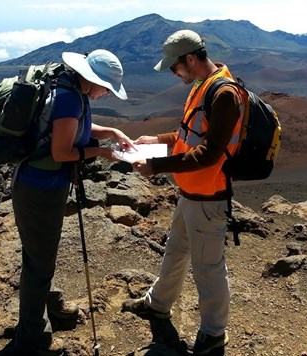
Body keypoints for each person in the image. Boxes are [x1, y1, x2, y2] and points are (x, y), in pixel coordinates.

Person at [0, 49, 134, 356]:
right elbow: (62, 152)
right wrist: (102, 152)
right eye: (106, 87)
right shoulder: (70, 96)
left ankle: (53, 305)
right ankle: (32, 340)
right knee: (38, 263)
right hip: (38, 189)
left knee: (41, 255)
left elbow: (77, 130)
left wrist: (112, 131)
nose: (106, 94)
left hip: (45, 186)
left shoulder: (75, 90)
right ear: (92, 78)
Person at [121, 30, 243, 354]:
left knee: (208, 268)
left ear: (190, 59)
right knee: (175, 252)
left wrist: (157, 167)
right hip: (190, 194)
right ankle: (157, 304)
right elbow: (186, 133)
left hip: (209, 198)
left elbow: (210, 153)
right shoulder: (203, 87)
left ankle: (213, 336)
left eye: (174, 68)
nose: (174, 74)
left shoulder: (224, 94)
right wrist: (157, 140)